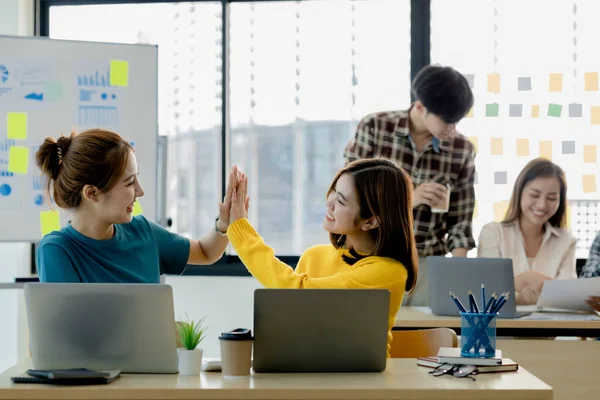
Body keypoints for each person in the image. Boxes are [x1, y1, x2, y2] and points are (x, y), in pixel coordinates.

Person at [225, 158, 418, 357]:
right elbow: (290, 318)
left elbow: (299, 292)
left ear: (370, 221)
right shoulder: (314, 256)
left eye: (341, 200)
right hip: (303, 368)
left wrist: (241, 232)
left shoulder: (389, 271)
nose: (329, 202)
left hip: (360, 380)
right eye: (334, 191)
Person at [343, 64, 476, 306]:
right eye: (447, 122)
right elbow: (347, 195)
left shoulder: (461, 150)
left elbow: (461, 221)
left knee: (427, 338)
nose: (452, 130)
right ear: (420, 107)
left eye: (456, 122)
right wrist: (408, 198)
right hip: (373, 256)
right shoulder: (375, 128)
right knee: (372, 337)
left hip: (427, 263)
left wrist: (458, 275)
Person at [35, 128, 242, 283]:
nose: (140, 191)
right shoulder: (57, 250)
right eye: (129, 182)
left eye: (137, 178)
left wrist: (224, 224)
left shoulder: (143, 231)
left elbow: (206, 252)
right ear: (92, 193)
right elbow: (66, 333)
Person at [478, 158, 576, 305]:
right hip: (503, 325)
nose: (542, 205)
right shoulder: (493, 233)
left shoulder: (566, 240)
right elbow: (487, 290)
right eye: (534, 195)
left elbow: (567, 295)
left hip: (552, 326)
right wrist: (520, 295)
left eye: (552, 198)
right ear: (520, 192)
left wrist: (513, 287)